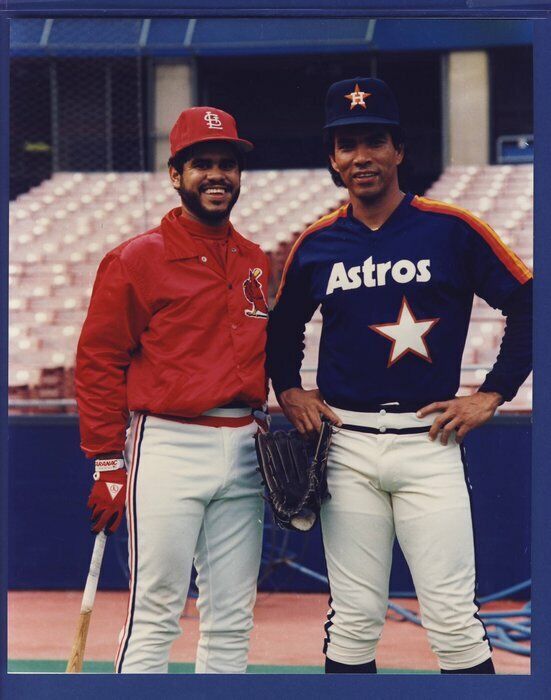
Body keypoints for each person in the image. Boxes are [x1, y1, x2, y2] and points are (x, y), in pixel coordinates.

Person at [267, 77, 532, 674]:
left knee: (453, 622)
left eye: (375, 141)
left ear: (399, 150)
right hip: (348, 447)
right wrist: (287, 388)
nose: (362, 156)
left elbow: (529, 302)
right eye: (347, 144)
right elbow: (281, 329)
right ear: (332, 159)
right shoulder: (316, 243)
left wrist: (492, 393)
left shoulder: (452, 228)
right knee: (354, 623)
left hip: (428, 442)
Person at [76, 106, 269, 674]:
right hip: (168, 444)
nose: (217, 175)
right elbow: (98, 361)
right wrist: (107, 462)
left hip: (245, 444)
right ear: (175, 174)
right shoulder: (137, 258)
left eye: (227, 164)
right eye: (202, 163)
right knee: (155, 611)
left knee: (233, 618)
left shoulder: (254, 258)